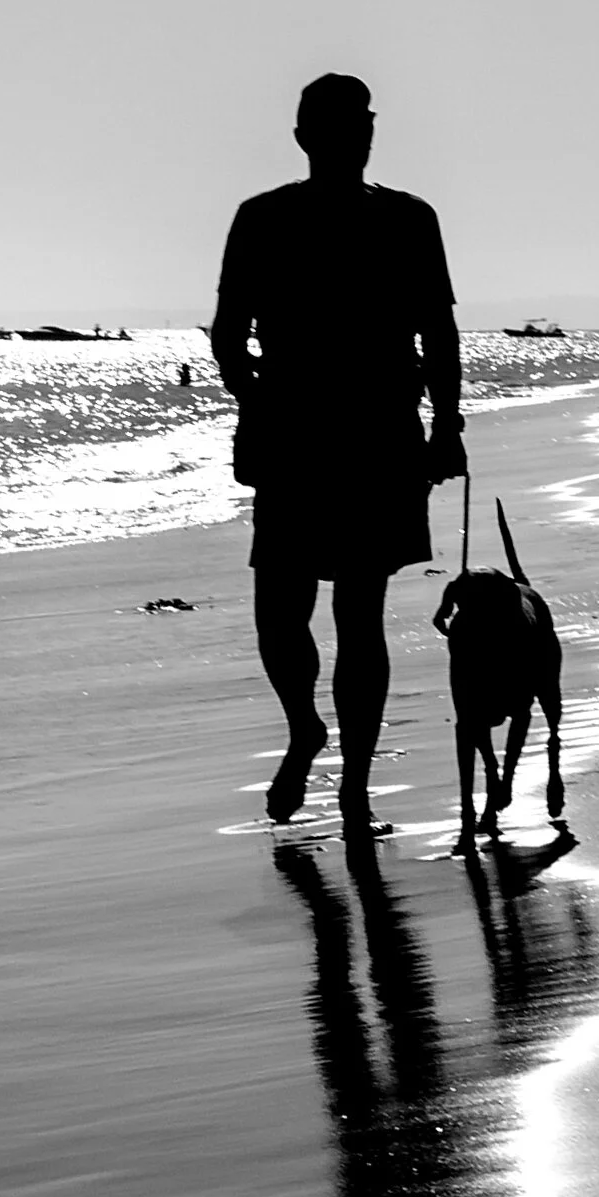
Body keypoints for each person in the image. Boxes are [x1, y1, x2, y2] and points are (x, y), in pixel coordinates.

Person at [212, 74, 467, 830]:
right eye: (343, 125)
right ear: (306, 137)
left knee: (354, 613)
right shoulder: (263, 216)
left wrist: (448, 422)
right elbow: (226, 332)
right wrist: (250, 393)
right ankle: (306, 731)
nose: (356, 135)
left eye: (360, 123)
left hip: (370, 428)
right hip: (314, 429)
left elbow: (439, 334)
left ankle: (354, 782)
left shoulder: (408, 217)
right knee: (284, 608)